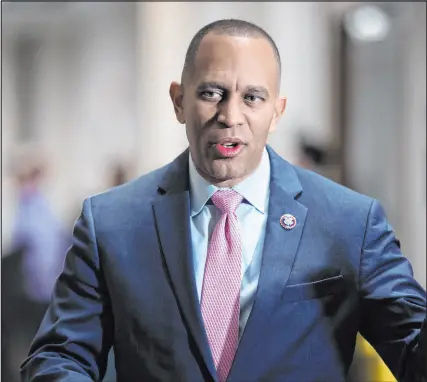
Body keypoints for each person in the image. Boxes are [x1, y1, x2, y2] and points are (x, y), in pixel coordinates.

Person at [21, 19, 426, 382]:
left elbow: (412, 348)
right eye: (212, 93)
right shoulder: (110, 223)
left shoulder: (349, 222)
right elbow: (60, 356)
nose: (230, 115)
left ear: (276, 112)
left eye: (252, 98)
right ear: (179, 100)